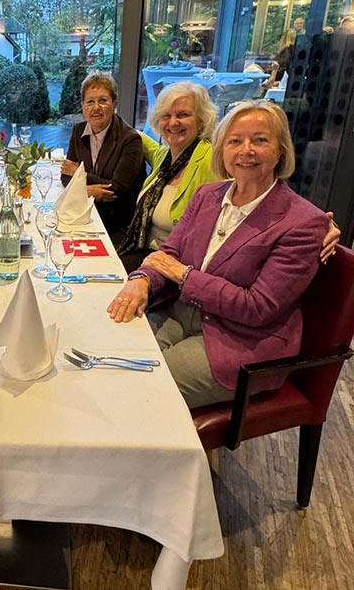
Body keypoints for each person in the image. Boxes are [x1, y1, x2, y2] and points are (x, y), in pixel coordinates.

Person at [107, 100, 330, 409]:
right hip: (181, 312)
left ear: (280, 151)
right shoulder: (207, 196)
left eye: (260, 140)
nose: (246, 150)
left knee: (136, 391)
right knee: (112, 360)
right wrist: (142, 280)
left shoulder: (303, 223)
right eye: (235, 141)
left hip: (240, 341)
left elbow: (258, 307)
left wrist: (184, 276)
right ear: (222, 150)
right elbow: (170, 252)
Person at [117, 81, 218, 273]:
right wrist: (116, 125)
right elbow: (149, 146)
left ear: (202, 120)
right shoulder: (165, 156)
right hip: (144, 250)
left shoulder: (211, 160)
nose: (173, 123)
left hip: (174, 265)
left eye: (183, 115)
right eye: (166, 116)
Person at [61, 71, 146, 241]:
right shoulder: (78, 131)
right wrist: (88, 190)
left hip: (116, 225)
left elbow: (116, 190)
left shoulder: (130, 140)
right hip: (84, 213)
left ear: (114, 103)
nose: (96, 108)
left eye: (103, 101)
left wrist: (80, 175)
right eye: (90, 102)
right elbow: (66, 175)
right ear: (82, 105)